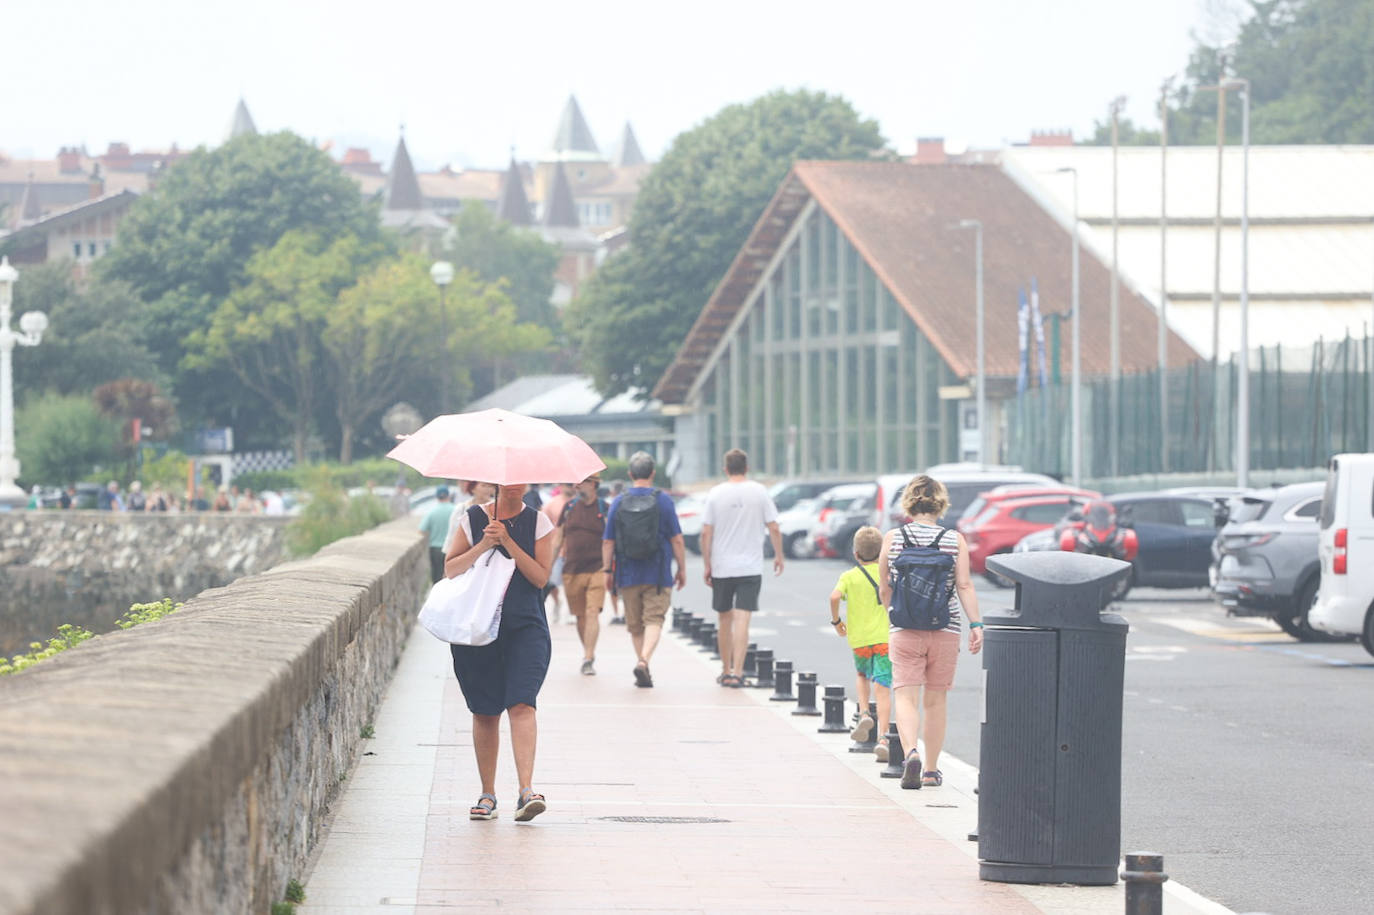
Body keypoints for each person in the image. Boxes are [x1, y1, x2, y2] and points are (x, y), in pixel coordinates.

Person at [444, 481, 555, 823]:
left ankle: (526, 791)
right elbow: (450, 569)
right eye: (509, 480)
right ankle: (488, 793)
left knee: (522, 703)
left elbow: (540, 577)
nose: (514, 486)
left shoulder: (539, 523)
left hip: (525, 627)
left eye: (522, 480)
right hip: (477, 628)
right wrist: (484, 544)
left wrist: (507, 542)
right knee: (486, 711)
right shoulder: (472, 518)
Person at [877, 474, 984, 790]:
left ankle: (911, 753)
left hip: (905, 628)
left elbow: (885, 587)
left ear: (909, 502)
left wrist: (892, 615)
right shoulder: (954, 540)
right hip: (945, 627)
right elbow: (964, 585)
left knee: (906, 696)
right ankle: (931, 770)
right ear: (940, 503)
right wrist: (976, 624)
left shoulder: (894, 538)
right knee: (936, 701)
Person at [602, 452, 686, 688]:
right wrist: (681, 568)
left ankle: (643, 663)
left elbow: (608, 541)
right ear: (653, 473)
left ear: (630, 474)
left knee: (635, 625)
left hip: (627, 573)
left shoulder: (618, 501)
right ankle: (644, 661)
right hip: (657, 573)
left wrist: (607, 572)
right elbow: (677, 539)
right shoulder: (664, 500)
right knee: (654, 619)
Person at [701, 448, 782, 687]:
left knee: (724, 619)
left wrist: (707, 563)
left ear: (726, 469)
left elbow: (706, 531)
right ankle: (738, 672)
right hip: (750, 565)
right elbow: (774, 526)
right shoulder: (759, 492)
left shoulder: (715, 494)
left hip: (721, 565)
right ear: (747, 468)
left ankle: (725, 670)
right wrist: (779, 555)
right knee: (743, 619)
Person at [829, 526, 893, 763]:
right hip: (885, 639)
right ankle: (884, 737)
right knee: (883, 687)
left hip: (859, 640)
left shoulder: (849, 576)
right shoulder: (887, 574)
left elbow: (834, 596)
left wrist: (837, 622)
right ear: (882, 552)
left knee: (862, 676)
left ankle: (864, 711)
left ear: (856, 553)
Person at [550, 475, 607, 674]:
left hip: (598, 569)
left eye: (581, 482)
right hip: (572, 569)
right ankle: (588, 651)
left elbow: (611, 540)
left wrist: (611, 568)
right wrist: (547, 568)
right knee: (580, 616)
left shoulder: (604, 508)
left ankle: (588, 657)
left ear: (593, 484)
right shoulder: (569, 508)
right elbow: (558, 540)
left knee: (593, 612)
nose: (576, 485)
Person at [541, 485, 573, 622]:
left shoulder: (578, 503)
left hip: (572, 550)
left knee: (570, 583)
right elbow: (542, 525)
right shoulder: (551, 504)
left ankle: (571, 611)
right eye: (567, 484)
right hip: (555, 549)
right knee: (552, 582)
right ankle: (556, 601)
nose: (570, 487)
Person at [418, 486, 457, 583]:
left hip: (435, 548)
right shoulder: (456, 510)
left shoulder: (432, 512)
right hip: (452, 548)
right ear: (448, 496)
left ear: (437, 497)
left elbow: (421, 530)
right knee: (451, 577)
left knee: (436, 576)